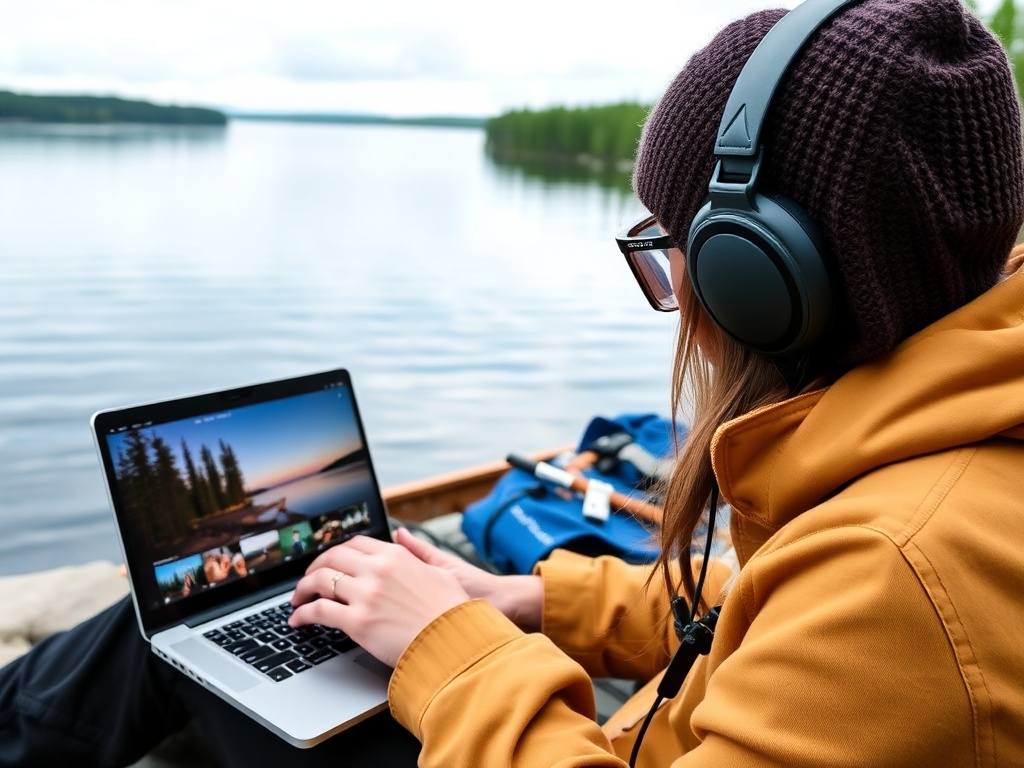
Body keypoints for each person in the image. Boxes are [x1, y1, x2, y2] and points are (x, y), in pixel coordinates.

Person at [2, 0, 1023, 765]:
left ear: (764, 279)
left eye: (672, 254)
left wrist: (449, 646)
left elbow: (849, 607)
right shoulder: (939, 453)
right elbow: (779, 614)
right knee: (233, 629)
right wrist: (523, 595)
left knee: (162, 636)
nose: (674, 300)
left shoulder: (901, 570)